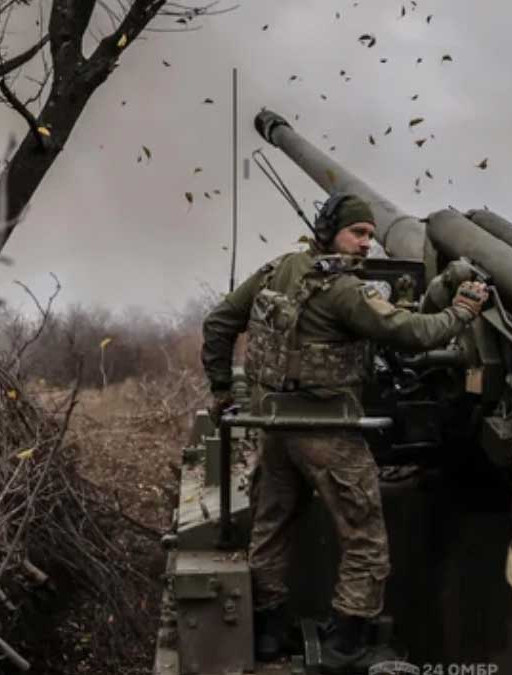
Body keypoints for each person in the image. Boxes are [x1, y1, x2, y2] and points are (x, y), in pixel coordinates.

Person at [201, 193, 487, 673]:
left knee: (272, 526)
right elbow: (413, 334)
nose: (366, 243)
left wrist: (221, 387)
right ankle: (347, 641)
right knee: (365, 537)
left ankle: (268, 632)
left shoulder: (277, 270)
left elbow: (219, 322)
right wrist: (461, 311)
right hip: (328, 432)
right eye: (358, 232)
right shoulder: (345, 291)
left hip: (274, 426)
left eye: (371, 235)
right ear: (329, 231)